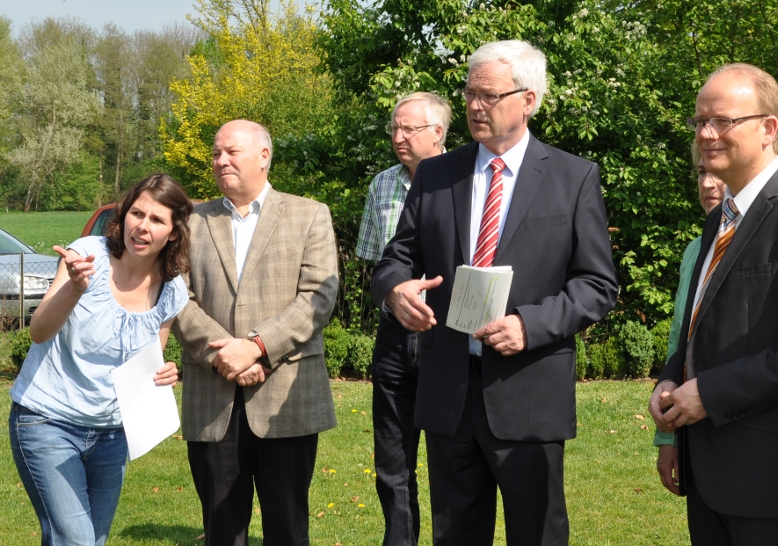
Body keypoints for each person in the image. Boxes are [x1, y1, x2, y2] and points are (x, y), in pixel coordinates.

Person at [371, 40, 618, 544]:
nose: (474, 106)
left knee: (537, 534)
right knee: (455, 533)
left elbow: (597, 284)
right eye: (469, 93)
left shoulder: (573, 177)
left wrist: (531, 325)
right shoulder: (439, 174)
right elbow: (397, 255)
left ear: (528, 99)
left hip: (527, 394)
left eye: (488, 95)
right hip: (448, 391)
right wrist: (396, 291)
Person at [649, 63, 778, 545]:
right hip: (709, 469)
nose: (706, 134)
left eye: (721, 121)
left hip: (771, 479)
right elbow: (700, 323)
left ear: (768, 128)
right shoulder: (720, 218)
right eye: (699, 122)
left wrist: (709, 395)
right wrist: (671, 376)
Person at [173, 119, 338, 546]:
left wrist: (257, 348)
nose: (221, 160)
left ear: (265, 157)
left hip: (286, 396)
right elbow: (177, 298)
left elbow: (318, 297)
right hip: (213, 397)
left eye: (232, 151)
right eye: (216, 153)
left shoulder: (309, 214)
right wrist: (224, 356)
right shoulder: (191, 221)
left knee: (287, 528)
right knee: (222, 530)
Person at [8, 174, 192, 546]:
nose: (142, 226)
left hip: (111, 435)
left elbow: (147, 362)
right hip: (48, 421)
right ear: (124, 214)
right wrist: (75, 288)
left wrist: (164, 373)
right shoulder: (87, 255)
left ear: (173, 233)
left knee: (90, 540)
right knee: (76, 540)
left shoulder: (172, 291)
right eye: (136, 213)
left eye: (157, 220)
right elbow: (39, 331)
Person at [356, 91, 451, 546]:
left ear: (438, 133)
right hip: (394, 335)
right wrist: (394, 296)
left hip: (448, 332)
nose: (398, 137)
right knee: (392, 459)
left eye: (408, 129)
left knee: (453, 457)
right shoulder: (383, 185)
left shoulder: (467, 179)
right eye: (394, 128)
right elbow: (375, 263)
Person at [655, 148, 727, 495]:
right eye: (701, 172)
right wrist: (667, 436)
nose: (709, 184)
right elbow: (678, 346)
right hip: (695, 432)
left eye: (718, 173)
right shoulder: (694, 250)